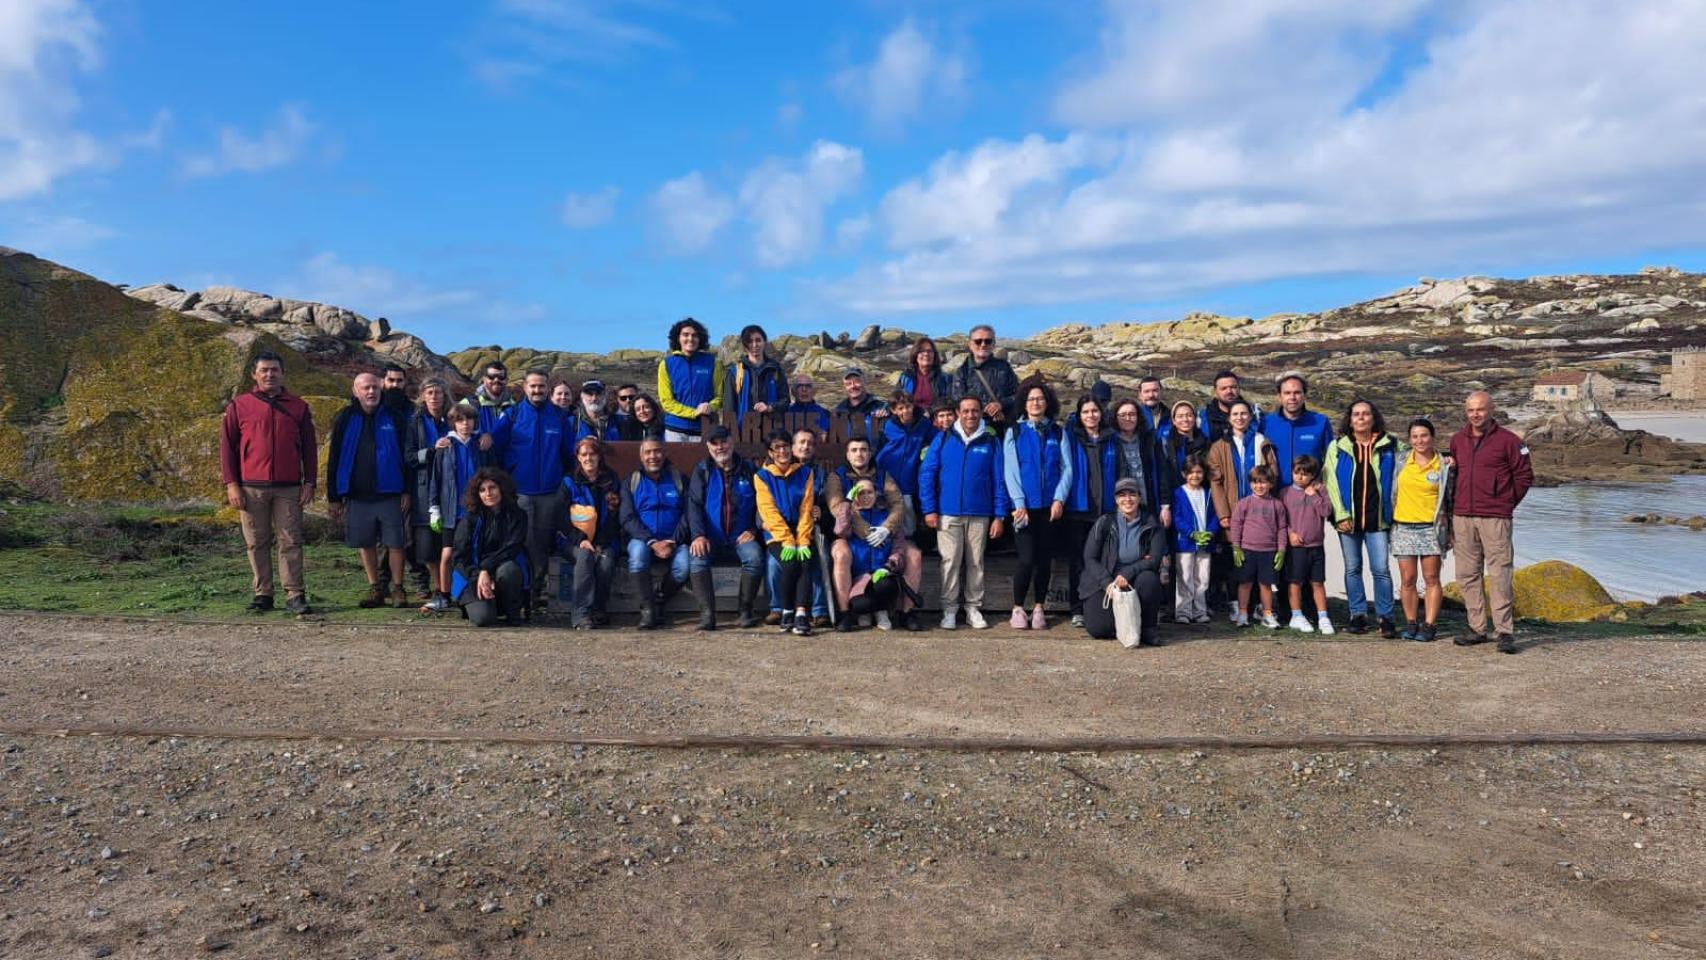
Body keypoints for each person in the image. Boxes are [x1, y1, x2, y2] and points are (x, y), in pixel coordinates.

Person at [221, 351, 317, 615]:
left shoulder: (298, 406)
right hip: (251, 487)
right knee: (256, 542)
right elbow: (227, 448)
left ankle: (294, 594)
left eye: (274, 370)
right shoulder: (239, 406)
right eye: (264, 370)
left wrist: (310, 482)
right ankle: (263, 593)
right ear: (254, 374)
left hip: (289, 487)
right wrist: (231, 484)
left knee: (291, 540)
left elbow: (309, 448)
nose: (269, 374)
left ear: (283, 373)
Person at [1447, 390, 1533, 653]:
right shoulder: (1457, 440)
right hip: (1462, 516)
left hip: (1496, 517)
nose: (1475, 414)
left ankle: (1504, 631)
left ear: (1491, 409)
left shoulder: (1509, 441)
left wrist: (1505, 503)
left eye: (1480, 409)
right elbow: (1452, 476)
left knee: (1500, 574)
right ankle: (1477, 628)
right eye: (1471, 410)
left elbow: (1524, 476)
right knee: (1467, 574)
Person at [919, 395, 1011, 629]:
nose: (971, 415)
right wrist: (929, 509)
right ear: (958, 413)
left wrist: (999, 515)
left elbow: (999, 480)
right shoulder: (943, 438)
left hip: (980, 513)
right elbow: (927, 474)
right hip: (947, 512)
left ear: (981, 413)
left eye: (975, 411)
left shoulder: (991, 441)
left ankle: (973, 608)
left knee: (976, 562)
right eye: (966, 411)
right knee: (950, 561)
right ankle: (949, 610)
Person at [487, 369, 574, 611]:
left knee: (542, 544)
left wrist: (564, 481)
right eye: (533, 386)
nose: (537, 390)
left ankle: (536, 591)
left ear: (548, 388)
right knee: (520, 541)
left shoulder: (560, 417)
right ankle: (519, 592)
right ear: (524, 387)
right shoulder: (512, 415)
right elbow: (495, 449)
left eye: (541, 386)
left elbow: (569, 454)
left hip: (549, 493)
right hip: (519, 492)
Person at [325, 372, 411, 609]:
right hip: (357, 493)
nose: (371, 391)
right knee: (366, 543)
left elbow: (407, 456)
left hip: (391, 492)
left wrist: (407, 490)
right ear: (355, 391)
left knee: (396, 543)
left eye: (374, 387)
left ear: (381, 388)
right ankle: (375, 588)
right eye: (365, 388)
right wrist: (333, 496)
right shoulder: (344, 418)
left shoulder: (394, 417)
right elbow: (334, 457)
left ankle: (398, 588)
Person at [826, 436, 919, 631]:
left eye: (863, 449)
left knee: (914, 555)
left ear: (870, 453)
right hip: (849, 532)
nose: (859, 454)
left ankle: (907, 613)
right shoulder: (837, 476)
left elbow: (897, 503)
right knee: (841, 554)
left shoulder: (883, 475)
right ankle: (845, 613)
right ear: (847, 454)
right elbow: (836, 507)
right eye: (854, 450)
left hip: (883, 528)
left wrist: (886, 528)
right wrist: (867, 532)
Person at [1324, 400, 1399, 638]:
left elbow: (1418, 455)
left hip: (1378, 520)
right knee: (1353, 568)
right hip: (1348, 520)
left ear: (1373, 418)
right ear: (1350, 419)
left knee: (1381, 569)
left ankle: (1385, 617)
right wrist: (1340, 515)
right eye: (1356, 414)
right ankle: (1357, 615)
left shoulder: (1390, 445)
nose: (1361, 418)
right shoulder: (1338, 446)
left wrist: (1445, 460)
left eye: (1366, 414)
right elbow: (1330, 482)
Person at [1003, 382, 1072, 631]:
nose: (1035, 403)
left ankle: (1039, 607)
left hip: (1050, 508)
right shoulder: (1015, 431)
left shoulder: (1058, 432)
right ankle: (1018, 607)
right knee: (1026, 558)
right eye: (1031, 399)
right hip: (1024, 508)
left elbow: (1067, 468)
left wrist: (1059, 499)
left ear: (1047, 402)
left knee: (1045, 559)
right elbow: (1010, 470)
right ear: (1024, 403)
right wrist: (1018, 502)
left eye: (1040, 398)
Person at [687, 425, 766, 630]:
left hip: (741, 536)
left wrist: (754, 530)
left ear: (732, 441)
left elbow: (763, 504)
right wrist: (698, 535)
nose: (720, 447)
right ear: (708, 447)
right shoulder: (702, 470)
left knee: (754, 558)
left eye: (723, 441)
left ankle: (745, 611)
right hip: (710, 537)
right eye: (714, 443)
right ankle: (707, 615)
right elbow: (694, 505)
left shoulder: (749, 469)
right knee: (697, 560)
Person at [1206, 399, 1275, 621]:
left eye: (1244, 413)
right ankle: (1235, 603)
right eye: (1235, 414)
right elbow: (1215, 483)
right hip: (1232, 511)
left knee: (1257, 557)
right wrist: (1223, 513)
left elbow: (1272, 473)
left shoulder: (1262, 442)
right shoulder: (1219, 446)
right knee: (1234, 559)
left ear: (1250, 417)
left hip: (1258, 513)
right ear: (1229, 418)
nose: (1239, 417)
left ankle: (1256, 605)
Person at [1079, 478, 1169, 646]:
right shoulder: (1104, 522)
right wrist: (1107, 582)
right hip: (1105, 579)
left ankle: (1148, 627)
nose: (1127, 499)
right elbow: (1089, 557)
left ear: (1139, 497)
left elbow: (1155, 559)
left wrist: (1127, 573)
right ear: (1116, 499)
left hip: (1135, 577)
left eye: (1132, 494)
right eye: (1122, 495)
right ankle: (1124, 623)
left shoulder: (1151, 523)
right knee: (1099, 629)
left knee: (1149, 579)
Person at [424, 404, 489, 613]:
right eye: (460, 420)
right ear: (453, 423)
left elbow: (492, 476)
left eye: (469, 419)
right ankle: (443, 595)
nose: (465, 424)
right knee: (447, 553)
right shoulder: (445, 446)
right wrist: (434, 507)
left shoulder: (480, 446)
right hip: (452, 512)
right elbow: (436, 479)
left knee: (475, 552)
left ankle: (472, 592)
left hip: (477, 511)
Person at [1062, 395, 1120, 628]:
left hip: (1105, 511)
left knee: (1105, 561)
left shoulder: (1112, 438)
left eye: (1094, 411)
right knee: (1078, 562)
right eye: (1085, 412)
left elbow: (1120, 471)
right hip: (1078, 509)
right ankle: (1077, 609)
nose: (1090, 415)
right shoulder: (1070, 437)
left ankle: (1099, 607)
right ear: (1079, 415)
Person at [620, 438, 691, 629]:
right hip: (642, 539)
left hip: (674, 540)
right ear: (641, 456)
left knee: (684, 565)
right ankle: (647, 610)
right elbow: (627, 517)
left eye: (657, 451)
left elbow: (689, 514)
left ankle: (659, 598)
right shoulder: (632, 481)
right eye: (648, 452)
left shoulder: (678, 479)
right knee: (637, 556)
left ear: (664, 453)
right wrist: (651, 541)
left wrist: (674, 540)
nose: (653, 456)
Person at [755, 429, 820, 636]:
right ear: (770, 452)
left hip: (801, 528)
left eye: (785, 446)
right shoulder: (761, 476)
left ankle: (801, 613)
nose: (782, 451)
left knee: (805, 562)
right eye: (777, 448)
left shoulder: (805, 473)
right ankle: (786, 611)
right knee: (790, 564)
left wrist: (802, 540)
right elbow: (768, 511)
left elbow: (807, 508)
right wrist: (788, 541)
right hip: (776, 532)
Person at [1392, 419, 1450, 643]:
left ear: (1432, 437)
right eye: (1415, 436)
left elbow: (1451, 498)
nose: (1420, 440)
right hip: (1403, 527)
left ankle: (1429, 625)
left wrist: (1451, 530)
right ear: (1409, 439)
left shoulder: (1443, 464)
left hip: (1431, 528)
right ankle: (1410, 622)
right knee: (1408, 579)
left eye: (1424, 435)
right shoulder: (1400, 460)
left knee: (1431, 578)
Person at [451, 467, 530, 627]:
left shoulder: (518, 515)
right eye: (482, 490)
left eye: (492, 487)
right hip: (473, 575)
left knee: (510, 569)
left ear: (502, 488)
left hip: (502, 570)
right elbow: (459, 558)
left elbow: (512, 548)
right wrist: (478, 574)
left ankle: (512, 612)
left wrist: (486, 569)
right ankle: (479, 606)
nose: (488, 493)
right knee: (484, 619)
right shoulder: (469, 520)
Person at [562, 437, 621, 630]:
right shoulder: (568, 482)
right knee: (585, 556)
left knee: (605, 561)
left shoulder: (612, 480)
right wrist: (580, 540)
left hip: (605, 539)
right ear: (578, 458)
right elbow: (560, 518)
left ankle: (598, 609)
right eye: (584, 454)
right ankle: (580, 614)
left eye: (592, 454)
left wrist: (600, 543)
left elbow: (615, 516)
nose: (588, 458)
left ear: (599, 456)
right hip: (573, 540)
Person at [405, 377, 453, 599]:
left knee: (449, 542)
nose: (434, 396)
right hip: (423, 489)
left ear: (445, 395)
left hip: (451, 487)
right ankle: (438, 588)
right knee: (427, 546)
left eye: (438, 392)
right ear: (423, 396)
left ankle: (451, 588)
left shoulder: (453, 419)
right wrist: (432, 451)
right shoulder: (414, 422)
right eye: (430, 392)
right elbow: (408, 457)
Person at [1281, 455, 1335, 635]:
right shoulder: (1285, 493)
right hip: (1296, 548)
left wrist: (1314, 496)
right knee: (1295, 582)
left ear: (1312, 475)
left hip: (1316, 546)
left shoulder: (1320, 491)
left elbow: (1326, 511)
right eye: (1297, 473)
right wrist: (1290, 533)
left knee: (1317, 582)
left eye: (1305, 474)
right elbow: (1281, 519)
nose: (1300, 477)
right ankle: (1296, 615)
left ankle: (1323, 617)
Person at [1229, 464, 1288, 629]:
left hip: (1268, 552)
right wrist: (1236, 547)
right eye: (1255, 482)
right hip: (1247, 551)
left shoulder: (1277, 505)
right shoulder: (1243, 503)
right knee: (1245, 583)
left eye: (1263, 482)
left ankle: (1267, 614)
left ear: (1271, 483)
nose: (1259, 486)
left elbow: (1282, 528)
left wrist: (1281, 550)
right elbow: (1236, 526)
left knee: (1266, 585)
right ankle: (1242, 614)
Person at [1260, 372, 1333, 489]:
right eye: (1287, 393)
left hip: (1309, 494)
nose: (1292, 398)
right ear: (1279, 396)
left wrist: (1318, 482)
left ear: (1304, 395)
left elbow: (1331, 460)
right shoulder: (1265, 423)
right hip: (1274, 494)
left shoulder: (1320, 422)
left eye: (1297, 392)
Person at [1170, 455, 1219, 625]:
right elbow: (1176, 518)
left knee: (1202, 579)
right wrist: (1191, 533)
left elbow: (1215, 516)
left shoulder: (1208, 493)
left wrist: (1211, 532)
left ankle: (1200, 611)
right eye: (1191, 472)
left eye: (1199, 472)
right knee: (1185, 578)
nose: (1195, 476)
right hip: (1185, 543)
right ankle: (1183, 612)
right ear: (1184, 474)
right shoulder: (1178, 493)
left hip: (1206, 543)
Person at [657, 316, 722, 441]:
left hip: (704, 430)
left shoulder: (713, 363)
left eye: (695, 335)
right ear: (678, 338)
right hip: (675, 431)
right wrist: (693, 412)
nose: (690, 339)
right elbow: (666, 401)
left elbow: (719, 396)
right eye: (685, 335)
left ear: (700, 338)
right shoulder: (666, 364)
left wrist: (710, 406)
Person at [950, 325, 1020, 430]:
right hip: (976, 428)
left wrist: (1001, 404)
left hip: (1006, 426)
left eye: (988, 341)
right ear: (970, 344)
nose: (983, 345)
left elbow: (1018, 394)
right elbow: (958, 400)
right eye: (978, 341)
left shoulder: (1004, 367)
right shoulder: (962, 372)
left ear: (993, 344)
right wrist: (987, 408)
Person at [723, 324, 786, 429]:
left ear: (764, 342)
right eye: (750, 341)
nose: (754, 345)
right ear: (744, 345)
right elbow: (729, 407)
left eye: (758, 340)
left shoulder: (776, 370)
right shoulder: (734, 372)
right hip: (743, 430)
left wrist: (770, 407)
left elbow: (785, 400)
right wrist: (730, 431)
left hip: (771, 430)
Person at [1111, 398, 1162, 521]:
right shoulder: (1110, 442)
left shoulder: (1149, 440)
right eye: (1122, 415)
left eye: (1132, 414)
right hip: (1121, 505)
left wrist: (1165, 505)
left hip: (1148, 503)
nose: (1128, 418)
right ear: (1115, 418)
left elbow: (1162, 471)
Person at [1198, 371, 1259, 445]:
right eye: (1223, 388)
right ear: (1215, 392)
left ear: (1239, 389)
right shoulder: (1203, 418)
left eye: (1233, 387)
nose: (1229, 391)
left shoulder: (1256, 415)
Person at [835, 367, 889, 446]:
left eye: (857, 381)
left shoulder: (882, 408)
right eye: (848, 384)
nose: (853, 386)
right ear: (844, 387)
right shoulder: (838, 412)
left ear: (865, 382)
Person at [467, 360, 514, 449]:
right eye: (491, 377)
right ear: (484, 379)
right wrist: (479, 436)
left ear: (506, 380)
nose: (496, 380)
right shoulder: (468, 404)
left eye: (501, 377)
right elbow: (453, 432)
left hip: (507, 457)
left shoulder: (514, 407)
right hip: (479, 456)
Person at [898, 336, 953, 409]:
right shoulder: (906, 377)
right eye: (921, 351)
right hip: (910, 415)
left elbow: (949, 403)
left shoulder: (945, 378)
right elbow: (896, 401)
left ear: (934, 355)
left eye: (929, 351)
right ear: (915, 355)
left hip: (934, 415)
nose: (926, 354)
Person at [567, 379, 619, 447]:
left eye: (598, 394)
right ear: (582, 396)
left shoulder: (617, 421)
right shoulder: (570, 423)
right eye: (589, 394)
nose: (594, 398)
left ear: (605, 395)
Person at [1136, 376, 1171, 444]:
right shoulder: (1132, 419)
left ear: (1161, 392)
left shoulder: (1172, 417)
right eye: (1146, 391)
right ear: (1140, 395)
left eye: (1155, 391)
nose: (1151, 395)